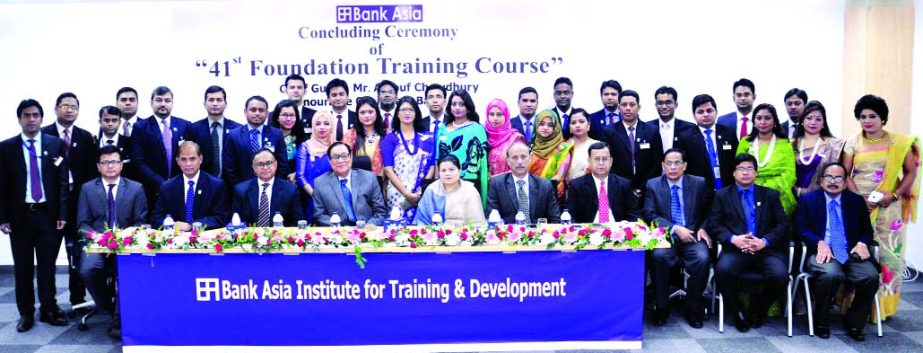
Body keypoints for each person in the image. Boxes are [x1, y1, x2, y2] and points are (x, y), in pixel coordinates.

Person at [843, 94, 920, 321]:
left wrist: (894, 195)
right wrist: (859, 201)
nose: (867, 121)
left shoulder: (899, 143)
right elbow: (845, 174)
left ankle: (881, 309)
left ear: (883, 118)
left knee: (888, 258)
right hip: (858, 205)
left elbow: (911, 172)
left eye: (872, 116)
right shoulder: (852, 142)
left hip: (888, 207)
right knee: (858, 254)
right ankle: (855, 306)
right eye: (863, 117)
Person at [0, 99, 70, 332]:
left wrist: (62, 212)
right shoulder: (6, 148)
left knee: (47, 266)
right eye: (26, 115)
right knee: (23, 268)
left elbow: (62, 183)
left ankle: (49, 309)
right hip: (20, 216)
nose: (31, 119)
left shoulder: (55, 144)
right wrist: (2, 217)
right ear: (19, 118)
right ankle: (26, 313)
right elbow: (1, 185)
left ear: (42, 118)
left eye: (35, 115)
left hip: (47, 215)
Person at [794, 162, 879, 341]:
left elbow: (866, 230)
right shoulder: (808, 200)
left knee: (870, 276)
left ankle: (854, 321)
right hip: (822, 252)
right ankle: (821, 320)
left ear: (846, 181)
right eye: (829, 177)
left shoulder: (856, 202)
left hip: (851, 251)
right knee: (831, 274)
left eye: (838, 178)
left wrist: (864, 243)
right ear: (822, 180)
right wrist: (818, 242)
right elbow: (800, 228)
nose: (833, 181)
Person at [708, 154, 790, 333]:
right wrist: (734, 239)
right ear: (733, 173)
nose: (745, 173)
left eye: (749, 169)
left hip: (765, 249)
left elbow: (783, 224)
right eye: (741, 169)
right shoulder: (722, 195)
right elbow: (714, 224)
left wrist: (765, 241)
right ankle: (738, 311)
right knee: (722, 271)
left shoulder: (770, 195)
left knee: (780, 275)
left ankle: (757, 310)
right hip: (736, 249)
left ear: (756, 172)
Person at [77, 145, 147, 339]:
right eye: (105, 162)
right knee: (88, 270)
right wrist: (98, 238)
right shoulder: (88, 188)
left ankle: (118, 319)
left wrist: (124, 235)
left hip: (126, 243)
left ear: (121, 165)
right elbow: (82, 224)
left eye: (114, 161)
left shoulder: (135, 188)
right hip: (97, 242)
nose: (110, 166)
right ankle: (107, 307)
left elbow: (141, 223)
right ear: (98, 166)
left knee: (126, 270)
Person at [645, 148, 713, 328]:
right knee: (658, 256)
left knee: (702, 258)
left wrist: (703, 228)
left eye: (677, 163)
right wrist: (675, 228)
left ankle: (693, 306)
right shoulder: (653, 184)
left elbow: (710, 211)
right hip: (667, 235)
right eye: (669, 163)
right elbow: (649, 214)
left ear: (684, 166)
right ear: (662, 166)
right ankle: (661, 307)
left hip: (693, 234)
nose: (673, 167)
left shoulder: (698, 183)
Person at [42, 92, 98, 313]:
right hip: (51, 207)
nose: (69, 110)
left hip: (77, 207)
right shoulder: (43, 135)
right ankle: (49, 304)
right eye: (64, 106)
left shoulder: (86, 138)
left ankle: (78, 299)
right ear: (55, 109)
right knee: (48, 258)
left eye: (74, 106)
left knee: (77, 254)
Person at [131, 86, 191, 211]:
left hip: (180, 188)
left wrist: (176, 183)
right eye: (159, 100)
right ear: (151, 103)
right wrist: (162, 183)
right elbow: (138, 161)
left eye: (167, 101)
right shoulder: (140, 127)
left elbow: (191, 158)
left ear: (172, 103)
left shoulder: (185, 125)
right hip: (151, 188)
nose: (163, 104)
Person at [151, 141, 229, 230]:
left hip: (205, 238)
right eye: (183, 159)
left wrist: (191, 225)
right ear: (178, 161)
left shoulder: (216, 185)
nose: (188, 164)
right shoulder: (167, 187)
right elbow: (156, 219)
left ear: (200, 159)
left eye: (192, 159)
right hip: (175, 239)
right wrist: (172, 225)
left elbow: (221, 218)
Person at [603, 90, 664, 201]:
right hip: (619, 189)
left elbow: (657, 162)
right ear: (619, 107)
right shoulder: (609, 132)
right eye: (624, 105)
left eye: (632, 105)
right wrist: (625, 187)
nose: (628, 108)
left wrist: (642, 187)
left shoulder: (652, 130)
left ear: (639, 107)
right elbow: (608, 163)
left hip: (647, 190)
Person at [382, 96, 436, 222]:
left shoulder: (428, 137)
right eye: (403, 110)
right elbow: (388, 170)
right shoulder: (390, 139)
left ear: (416, 113)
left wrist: (420, 192)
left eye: (411, 110)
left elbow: (432, 166)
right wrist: (407, 194)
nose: (407, 113)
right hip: (397, 194)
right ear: (397, 114)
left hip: (421, 193)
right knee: (397, 228)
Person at [736, 103, 797, 214]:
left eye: (767, 118)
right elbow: (739, 169)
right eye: (759, 118)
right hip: (748, 192)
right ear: (754, 122)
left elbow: (789, 174)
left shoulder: (784, 144)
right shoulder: (745, 142)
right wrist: (754, 189)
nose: (763, 122)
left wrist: (766, 190)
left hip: (778, 195)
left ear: (775, 122)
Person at [312, 142, 388, 226]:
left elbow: (380, 211)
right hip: (337, 233)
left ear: (351, 157)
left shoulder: (369, 178)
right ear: (329, 161)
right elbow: (319, 215)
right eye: (335, 157)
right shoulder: (320, 183)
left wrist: (367, 228)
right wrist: (338, 226)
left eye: (344, 156)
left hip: (367, 230)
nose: (340, 160)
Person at [435, 89, 488, 207]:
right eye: (454, 104)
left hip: (469, 183)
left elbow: (483, 164)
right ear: (449, 107)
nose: (457, 107)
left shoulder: (477, 129)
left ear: (468, 107)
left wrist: (484, 189)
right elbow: (437, 158)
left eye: (461, 104)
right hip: (446, 181)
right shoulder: (442, 129)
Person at [675, 94, 739, 190]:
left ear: (716, 112)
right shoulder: (685, 138)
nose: (705, 115)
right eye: (700, 112)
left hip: (728, 188)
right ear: (694, 115)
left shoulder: (728, 133)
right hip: (700, 191)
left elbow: (736, 160)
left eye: (709, 111)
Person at [487, 141, 561, 224]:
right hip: (509, 234)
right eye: (515, 157)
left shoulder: (544, 185)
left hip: (538, 234)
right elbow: (492, 218)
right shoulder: (497, 184)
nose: (519, 162)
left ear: (530, 159)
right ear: (508, 161)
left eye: (523, 157)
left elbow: (555, 219)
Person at [566, 142, 640, 223]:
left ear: (611, 161)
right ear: (589, 161)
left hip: (617, 231)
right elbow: (570, 215)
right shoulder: (576, 185)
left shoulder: (624, 184)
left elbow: (634, 215)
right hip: (588, 231)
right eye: (597, 159)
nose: (601, 163)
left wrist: (627, 227)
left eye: (605, 159)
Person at [223, 96, 288, 187]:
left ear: (267, 113)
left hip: (272, 188)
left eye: (261, 110)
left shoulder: (276, 134)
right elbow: (229, 167)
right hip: (242, 190)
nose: (257, 113)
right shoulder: (234, 135)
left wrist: (276, 187)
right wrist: (239, 188)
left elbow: (282, 164)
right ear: (245, 112)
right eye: (253, 110)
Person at [231, 148, 304, 227]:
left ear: (276, 164)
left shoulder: (290, 190)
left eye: (269, 163)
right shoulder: (241, 190)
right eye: (260, 164)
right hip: (250, 237)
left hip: (280, 237)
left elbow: (297, 222)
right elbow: (236, 221)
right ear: (253, 167)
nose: (265, 167)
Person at [182, 85, 242, 178]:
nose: (215, 103)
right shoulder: (193, 129)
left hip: (231, 184)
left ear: (226, 104)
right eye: (211, 100)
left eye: (219, 100)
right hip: (203, 183)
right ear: (204, 104)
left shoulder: (237, 129)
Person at [792, 100, 845, 197]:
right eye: (809, 118)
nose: (813, 122)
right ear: (802, 121)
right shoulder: (791, 144)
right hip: (794, 197)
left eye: (818, 119)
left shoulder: (834, 145)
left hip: (823, 198)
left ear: (823, 123)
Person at [414, 155, 485, 225]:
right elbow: (422, 220)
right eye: (443, 170)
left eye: (451, 169)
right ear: (439, 173)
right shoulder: (432, 190)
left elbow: (477, 223)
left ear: (459, 171)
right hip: (435, 234)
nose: (447, 173)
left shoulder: (469, 190)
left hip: (465, 234)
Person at [295, 111, 335, 224]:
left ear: (332, 126)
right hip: (310, 195)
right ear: (313, 126)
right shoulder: (305, 146)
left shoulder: (336, 146)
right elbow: (300, 175)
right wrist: (314, 195)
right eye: (318, 124)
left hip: (333, 196)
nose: (322, 127)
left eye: (326, 123)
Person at [527, 109, 571, 200]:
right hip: (529, 195)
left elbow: (559, 177)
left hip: (553, 197)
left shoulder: (563, 149)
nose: (545, 127)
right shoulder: (530, 147)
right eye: (541, 124)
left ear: (556, 127)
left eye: (550, 125)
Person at [485, 98, 526, 177]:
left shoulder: (515, 138)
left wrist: (499, 178)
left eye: (499, 114)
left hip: (507, 186)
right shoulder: (483, 135)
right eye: (491, 114)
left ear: (506, 116)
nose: (495, 118)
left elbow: (521, 167)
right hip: (484, 187)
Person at [647, 86, 696, 152]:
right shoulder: (646, 128)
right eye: (660, 103)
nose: (664, 107)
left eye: (668, 102)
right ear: (656, 105)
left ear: (676, 104)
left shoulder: (689, 128)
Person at [269, 99, 307, 183]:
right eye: (285, 115)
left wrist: (296, 174)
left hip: (296, 184)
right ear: (277, 117)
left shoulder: (302, 139)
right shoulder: (269, 138)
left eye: (292, 115)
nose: (289, 119)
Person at [351, 96, 385, 179]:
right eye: (362, 112)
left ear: (377, 112)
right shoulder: (350, 135)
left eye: (370, 112)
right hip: (357, 182)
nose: (367, 116)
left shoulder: (386, 134)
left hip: (382, 183)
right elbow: (345, 161)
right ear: (357, 115)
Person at [96, 106, 133, 180]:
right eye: (106, 120)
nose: (110, 124)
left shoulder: (129, 143)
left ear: (119, 122)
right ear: (100, 122)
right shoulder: (92, 144)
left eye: (114, 120)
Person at [564, 108, 599, 182]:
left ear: (589, 125)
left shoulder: (598, 146)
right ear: (569, 127)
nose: (577, 125)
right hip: (568, 190)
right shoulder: (563, 147)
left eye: (581, 122)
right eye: (573, 123)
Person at [325, 78, 359, 143]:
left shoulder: (357, 117)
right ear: (328, 98)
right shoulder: (324, 118)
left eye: (341, 94)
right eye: (334, 95)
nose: (338, 98)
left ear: (347, 96)